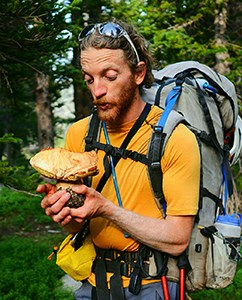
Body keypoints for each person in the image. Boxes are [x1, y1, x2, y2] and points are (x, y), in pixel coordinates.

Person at [37, 19, 200, 300]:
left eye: (110, 76)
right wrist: (63, 212)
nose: (97, 90)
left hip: (152, 285)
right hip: (92, 284)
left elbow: (177, 239)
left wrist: (106, 209)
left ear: (138, 74)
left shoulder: (175, 137)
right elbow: (76, 224)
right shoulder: (80, 134)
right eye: (89, 79)